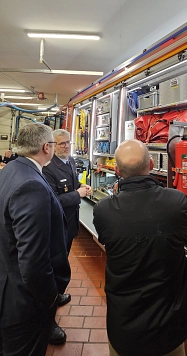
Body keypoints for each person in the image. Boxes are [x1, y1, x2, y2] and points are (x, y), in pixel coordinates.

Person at [93, 139, 187, 356]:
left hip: (125, 322)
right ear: (151, 164)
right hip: (170, 321)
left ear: (117, 170)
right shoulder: (177, 202)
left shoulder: (103, 210)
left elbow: (105, 240)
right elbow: (183, 237)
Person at [0, 123, 71, 356]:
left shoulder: (11, 169)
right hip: (22, 301)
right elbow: (33, 261)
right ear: (46, 147)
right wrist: (50, 298)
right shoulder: (31, 184)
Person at [42, 129, 92, 255]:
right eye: (62, 143)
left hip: (70, 222)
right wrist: (78, 194)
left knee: (65, 256)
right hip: (57, 226)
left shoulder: (71, 161)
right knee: (56, 261)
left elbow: (73, 182)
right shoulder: (48, 168)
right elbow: (52, 200)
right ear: (52, 145)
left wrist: (82, 186)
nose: (67, 146)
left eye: (69, 142)